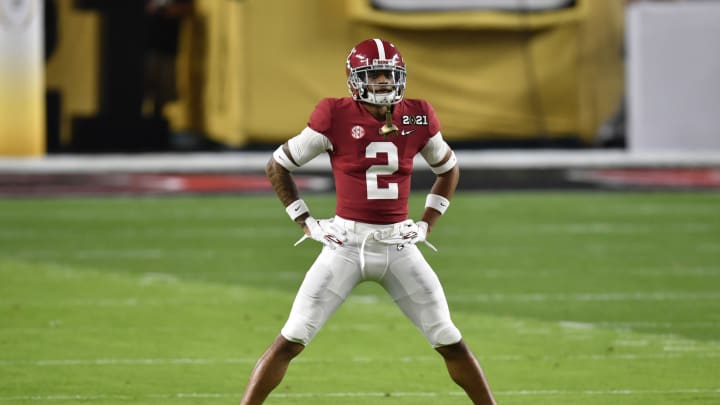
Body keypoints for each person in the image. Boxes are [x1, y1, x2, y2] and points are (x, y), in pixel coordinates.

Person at [240, 38, 497, 405]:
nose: (383, 84)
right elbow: (278, 165)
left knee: (447, 337)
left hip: (398, 245)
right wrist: (306, 222)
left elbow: (448, 168)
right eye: (374, 76)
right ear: (355, 80)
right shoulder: (334, 114)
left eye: (389, 76)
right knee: (292, 336)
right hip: (344, 243)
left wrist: (426, 223)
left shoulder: (417, 114)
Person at [142, 0, 194, 119]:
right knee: (143, 90)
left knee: (163, 95)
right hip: (144, 48)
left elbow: (187, 10)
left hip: (166, 50)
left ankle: (156, 126)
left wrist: (162, 10)